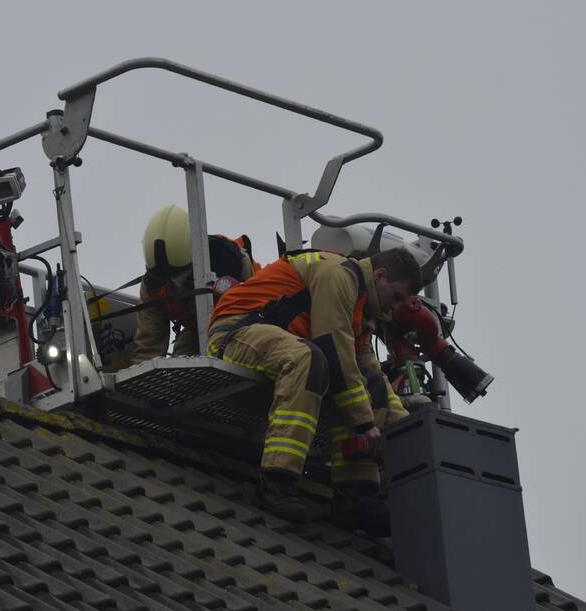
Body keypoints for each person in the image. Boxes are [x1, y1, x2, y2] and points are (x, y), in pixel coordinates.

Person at [206, 246, 424, 534]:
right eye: (395, 296)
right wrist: (365, 423)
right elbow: (332, 346)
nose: (395, 307)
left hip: (283, 343)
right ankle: (277, 483)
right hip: (237, 332)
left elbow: (369, 374)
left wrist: (409, 435)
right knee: (309, 359)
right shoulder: (339, 275)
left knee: (368, 382)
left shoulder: (362, 306)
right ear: (380, 275)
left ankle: (355, 497)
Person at [130, 205, 258, 364]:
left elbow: (255, 311)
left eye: (177, 275)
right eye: (166, 277)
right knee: (183, 354)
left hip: (242, 324)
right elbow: (149, 348)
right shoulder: (153, 284)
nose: (173, 283)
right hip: (197, 328)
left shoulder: (231, 260)